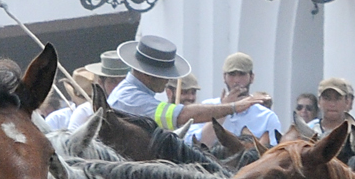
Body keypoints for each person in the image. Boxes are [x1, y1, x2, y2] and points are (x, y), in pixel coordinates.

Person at [108, 34, 268, 130]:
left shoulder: (133, 94)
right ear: (149, 75)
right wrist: (232, 107)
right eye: (164, 75)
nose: (168, 80)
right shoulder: (130, 100)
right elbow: (182, 114)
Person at [201, 51, 281, 145]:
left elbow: (273, 154)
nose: (236, 80)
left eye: (242, 74)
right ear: (224, 77)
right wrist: (224, 110)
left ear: (251, 77)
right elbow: (201, 143)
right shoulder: (207, 107)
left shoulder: (266, 117)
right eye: (232, 74)